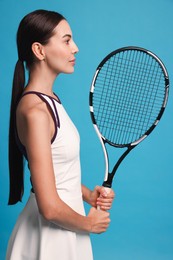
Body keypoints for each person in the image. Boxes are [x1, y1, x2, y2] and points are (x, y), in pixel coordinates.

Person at [6, 9, 115, 260]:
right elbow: (49, 208)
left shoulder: (51, 101)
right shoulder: (35, 112)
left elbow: (55, 173)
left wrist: (89, 195)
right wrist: (89, 224)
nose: (75, 48)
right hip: (49, 238)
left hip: (68, 230)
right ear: (39, 50)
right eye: (66, 40)